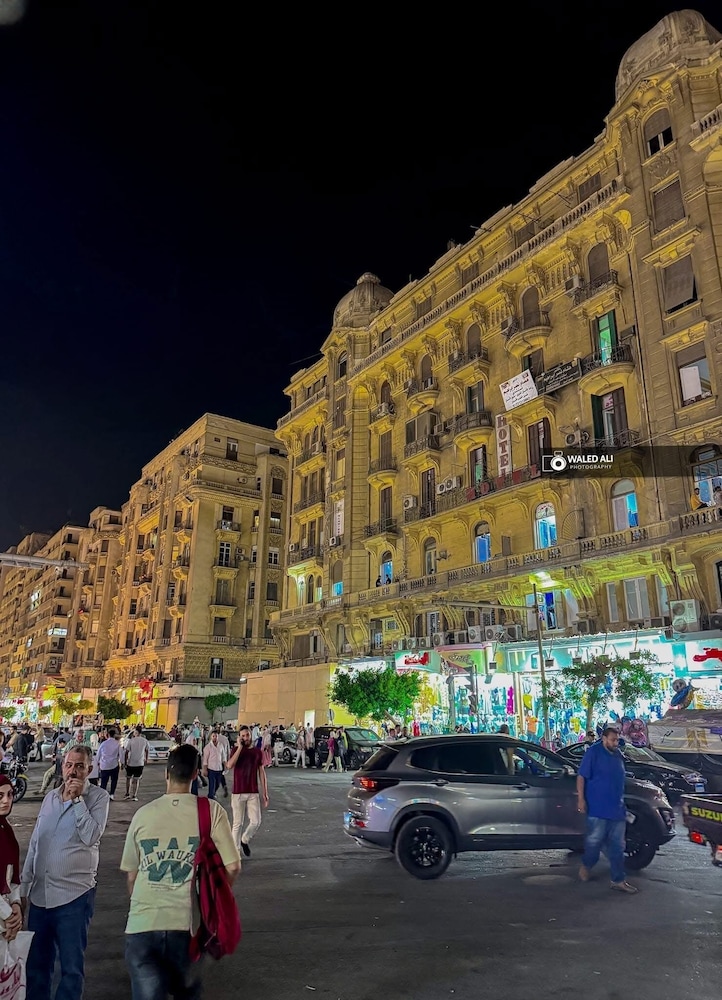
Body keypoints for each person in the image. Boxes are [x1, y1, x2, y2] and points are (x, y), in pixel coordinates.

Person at [122, 743, 240, 999]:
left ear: (166, 773)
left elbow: (132, 875)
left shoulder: (143, 815)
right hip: (186, 926)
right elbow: (233, 866)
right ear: (196, 774)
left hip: (142, 925)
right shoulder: (211, 811)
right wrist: (212, 898)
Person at [22, 744, 110, 1000]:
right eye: (69, 765)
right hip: (40, 896)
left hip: (74, 897)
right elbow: (36, 843)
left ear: (89, 770)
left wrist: (78, 800)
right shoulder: (50, 798)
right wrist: (24, 888)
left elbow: (91, 836)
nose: (72, 771)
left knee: (71, 969)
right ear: (62, 767)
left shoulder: (98, 798)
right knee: (37, 967)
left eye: (79, 766)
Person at [577, 725, 637, 894]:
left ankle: (618, 880)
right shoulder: (593, 753)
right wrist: (581, 799)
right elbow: (581, 776)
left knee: (618, 846)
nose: (615, 743)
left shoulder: (617, 755)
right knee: (594, 843)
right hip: (597, 809)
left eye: (617, 740)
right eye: (613, 740)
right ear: (604, 739)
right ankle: (587, 864)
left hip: (617, 809)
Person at [226, 726, 268, 859]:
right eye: (243, 736)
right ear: (239, 737)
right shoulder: (236, 750)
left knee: (256, 821)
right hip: (238, 792)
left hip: (252, 792)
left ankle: (245, 839)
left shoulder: (257, 752)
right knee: (237, 824)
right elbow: (229, 765)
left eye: (247, 735)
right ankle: (235, 853)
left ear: (251, 736)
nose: (245, 738)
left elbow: (261, 772)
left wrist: (265, 792)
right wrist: (239, 747)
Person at [0, 775, 23, 943]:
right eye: (0, 796)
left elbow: (12, 875)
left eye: (10, 794)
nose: (6, 801)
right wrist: (8, 915)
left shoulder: (6, 830)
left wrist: (16, 904)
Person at [123, 726, 149, 801]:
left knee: (128, 778)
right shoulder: (145, 741)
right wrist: (146, 759)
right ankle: (134, 795)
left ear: (136, 732)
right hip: (140, 763)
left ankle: (127, 793)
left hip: (131, 763)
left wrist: (125, 762)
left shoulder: (131, 741)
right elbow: (147, 750)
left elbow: (126, 752)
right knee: (136, 780)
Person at [97, 726, 121, 799]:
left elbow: (98, 754)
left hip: (104, 765)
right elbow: (121, 754)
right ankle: (112, 794)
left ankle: (102, 795)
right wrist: (122, 763)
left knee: (104, 781)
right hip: (114, 765)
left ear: (108, 734)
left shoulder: (103, 744)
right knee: (114, 780)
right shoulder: (117, 744)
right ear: (114, 735)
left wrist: (98, 762)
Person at [201, 730, 225, 800]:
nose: (215, 738)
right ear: (211, 737)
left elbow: (223, 756)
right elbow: (205, 760)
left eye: (216, 736)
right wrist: (204, 770)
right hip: (211, 769)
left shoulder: (221, 745)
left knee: (217, 784)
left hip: (219, 769)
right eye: (213, 736)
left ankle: (213, 793)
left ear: (218, 737)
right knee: (212, 784)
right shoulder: (207, 747)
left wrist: (225, 764)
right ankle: (210, 797)